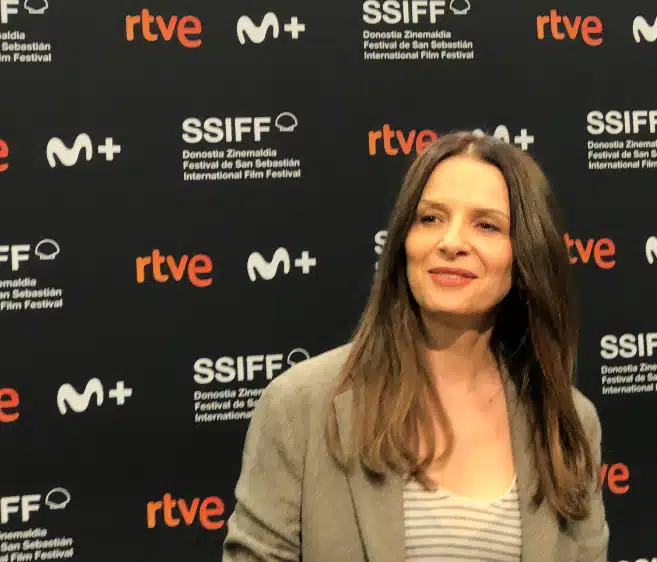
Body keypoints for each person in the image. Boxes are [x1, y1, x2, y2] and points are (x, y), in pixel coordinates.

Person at [221, 131, 609, 561]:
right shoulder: (300, 407)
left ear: (525, 256)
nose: (451, 242)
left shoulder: (568, 424)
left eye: (486, 225)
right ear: (403, 240)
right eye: (430, 218)